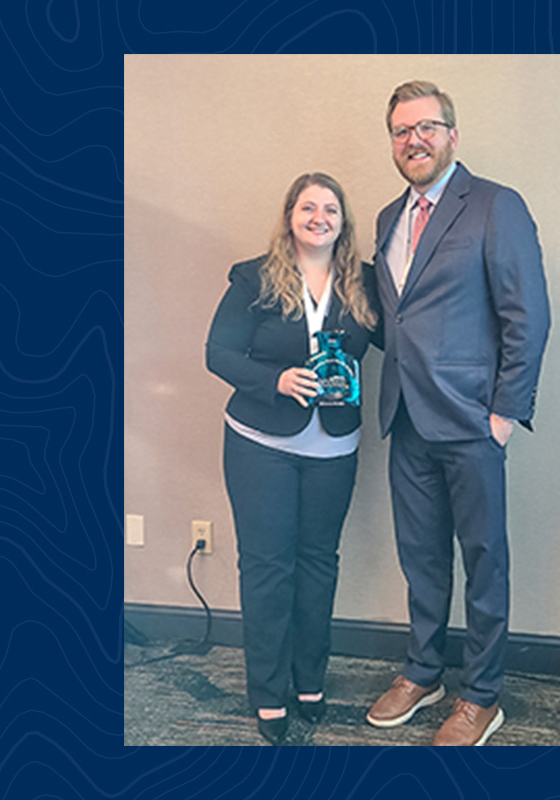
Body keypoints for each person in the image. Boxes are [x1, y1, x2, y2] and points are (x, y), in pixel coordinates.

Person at [364, 81, 551, 746]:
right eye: (401, 130)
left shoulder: (496, 205)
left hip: (472, 419)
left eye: (426, 127)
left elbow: (527, 315)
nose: (413, 139)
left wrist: (505, 414)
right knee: (420, 556)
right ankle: (423, 671)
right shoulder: (388, 218)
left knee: (484, 559)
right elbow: (397, 317)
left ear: (452, 134)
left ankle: (481, 694)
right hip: (406, 417)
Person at [206, 172, 379, 745]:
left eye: (330, 209)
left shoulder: (366, 283)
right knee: (267, 568)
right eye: (308, 208)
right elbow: (218, 352)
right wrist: (274, 380)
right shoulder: (254, 278)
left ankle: (309, 681)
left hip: (335, 447)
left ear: (343, 222)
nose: (319, 218)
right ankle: (267, 690)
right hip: (260, 444)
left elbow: (409, 335)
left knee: (318, 564)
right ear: (289, 217)